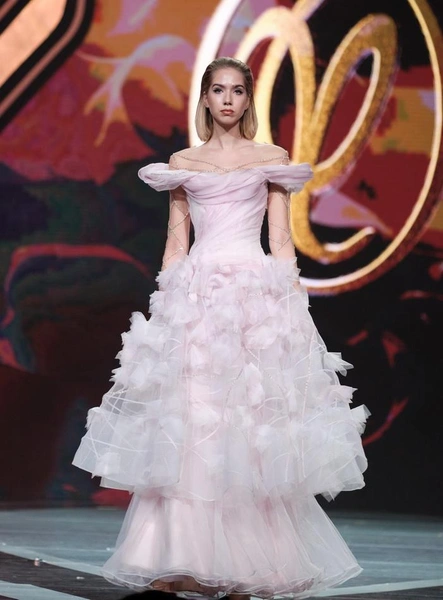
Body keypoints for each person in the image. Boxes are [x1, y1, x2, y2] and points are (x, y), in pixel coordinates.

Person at [73, 57, 369, 599]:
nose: (228, 99)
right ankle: (175, 561)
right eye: (218, 90)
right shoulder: (182, 163)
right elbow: (176, 241)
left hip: (253, 298)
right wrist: (167, 305)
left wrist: (290, 304)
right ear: (206, 98)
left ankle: (246, 572)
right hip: (197, 299)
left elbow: (280, 238)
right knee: (191, 419)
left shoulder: (271, 158)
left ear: (248, 98)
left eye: (237, 90)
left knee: (248, 425)